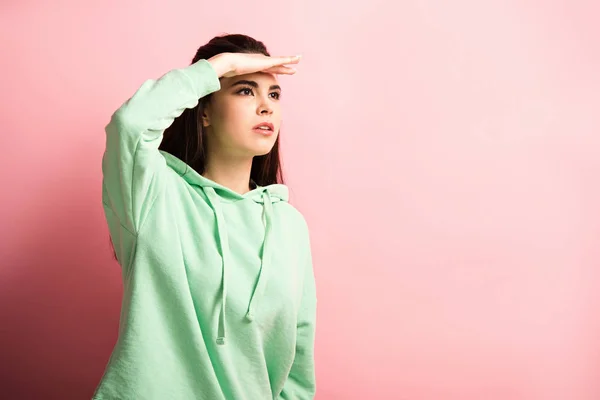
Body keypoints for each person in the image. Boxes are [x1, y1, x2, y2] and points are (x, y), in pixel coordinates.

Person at [93, 34, 317, 400]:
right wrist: (220, 67)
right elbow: (130, 125)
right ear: (204, 111)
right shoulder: (156, 193)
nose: (266, 107)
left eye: (274, 95)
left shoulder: (289, 226)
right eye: (246, 90)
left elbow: (297, 366)